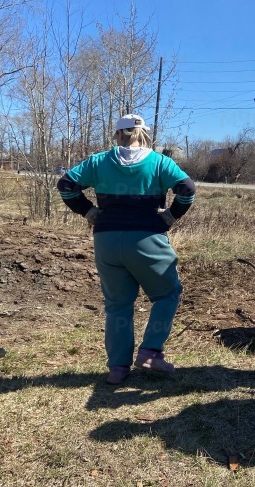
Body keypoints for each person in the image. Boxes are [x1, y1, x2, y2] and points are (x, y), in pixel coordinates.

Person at [57, 113, 196, 385]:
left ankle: (117, 369)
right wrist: (171, 215)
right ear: (143, 134)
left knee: (118, 305)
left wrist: (87, 211)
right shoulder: (159, 162)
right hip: (147, 238)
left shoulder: (98, 161)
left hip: (107, 239)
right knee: (168, 293)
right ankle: (150, 351)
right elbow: (187, 189)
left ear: (118, 134)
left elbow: (66, 185)